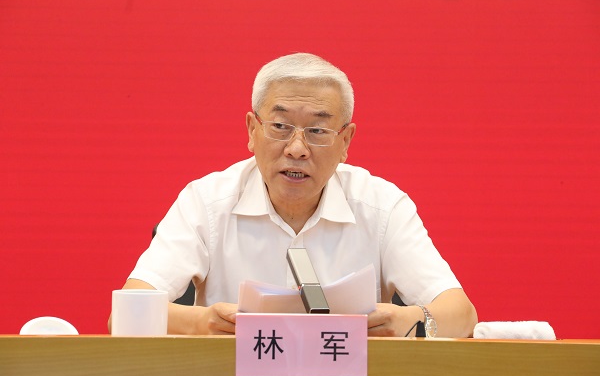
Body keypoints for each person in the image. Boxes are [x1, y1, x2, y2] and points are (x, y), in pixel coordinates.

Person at [109, 53, 477, 337]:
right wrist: (202, 322)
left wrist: (410, 319)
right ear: (252, 130)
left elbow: (461, 315)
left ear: (346, 141)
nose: (297, 149)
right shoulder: (206, 202)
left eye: (317, 131)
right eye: (280, 126)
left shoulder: (382, 206)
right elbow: (124, 314)